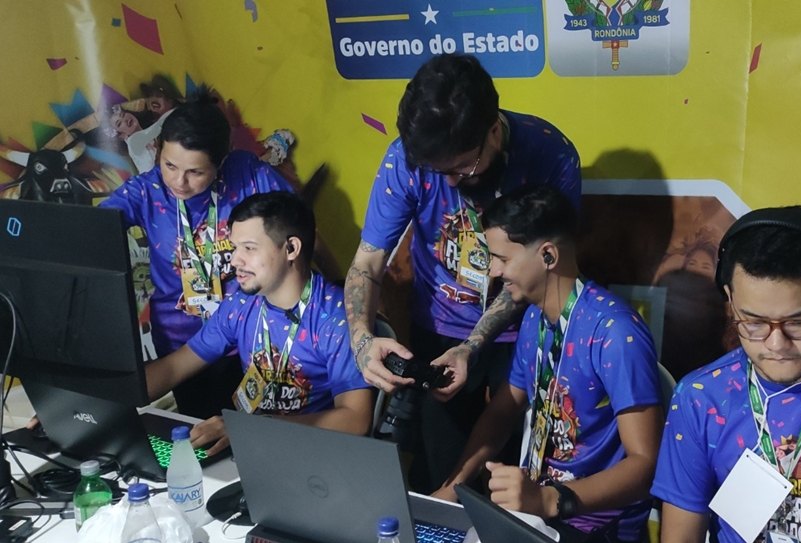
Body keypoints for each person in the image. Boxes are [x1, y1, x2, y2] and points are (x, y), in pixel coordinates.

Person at [345, 53, 582, 492]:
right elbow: (367, 262)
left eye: (463, 167)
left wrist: (473, 346)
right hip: (437, 332)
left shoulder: (550, 155)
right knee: (444, 472)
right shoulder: (406, 160)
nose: (451, 182)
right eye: (440, 172)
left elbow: (541, 276)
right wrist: (360, 339)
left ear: (493, 130)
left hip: (525, 335)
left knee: (515, 479)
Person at [651, 205, 801, 543]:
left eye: (799, 322)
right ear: (730, 300)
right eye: (753, 322)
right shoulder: (699, 399)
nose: (776, 344)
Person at [433, 185, 663, 543]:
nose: (493, 270)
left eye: (502, 258)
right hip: (539, 513)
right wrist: (453, 486)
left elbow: (645, 464)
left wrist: (550, 500)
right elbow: (503, 411)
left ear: (548, 256)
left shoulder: (614, 332)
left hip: (596, 527)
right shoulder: (533, 319)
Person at [100, 88, 296, 419]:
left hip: (252, 340)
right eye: (169, 165)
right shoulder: (146, 191)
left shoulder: (248, 174)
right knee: (202, 432)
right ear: (157, 150)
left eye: (195, 172)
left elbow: (297, 230)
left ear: (221, 162)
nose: (179, 181)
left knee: (260, 431)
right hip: (181, 348)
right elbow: (93, 230)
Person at [144, 191, 373, 454]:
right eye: (235, 248)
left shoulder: (336, 317)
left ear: (291, 249)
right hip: (255, 446)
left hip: (316, 455)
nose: (234, 260)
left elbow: (356, 419)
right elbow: (175, 366)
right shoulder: (241, 303)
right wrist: (114, 395)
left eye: (249, 248)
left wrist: (249, 429)